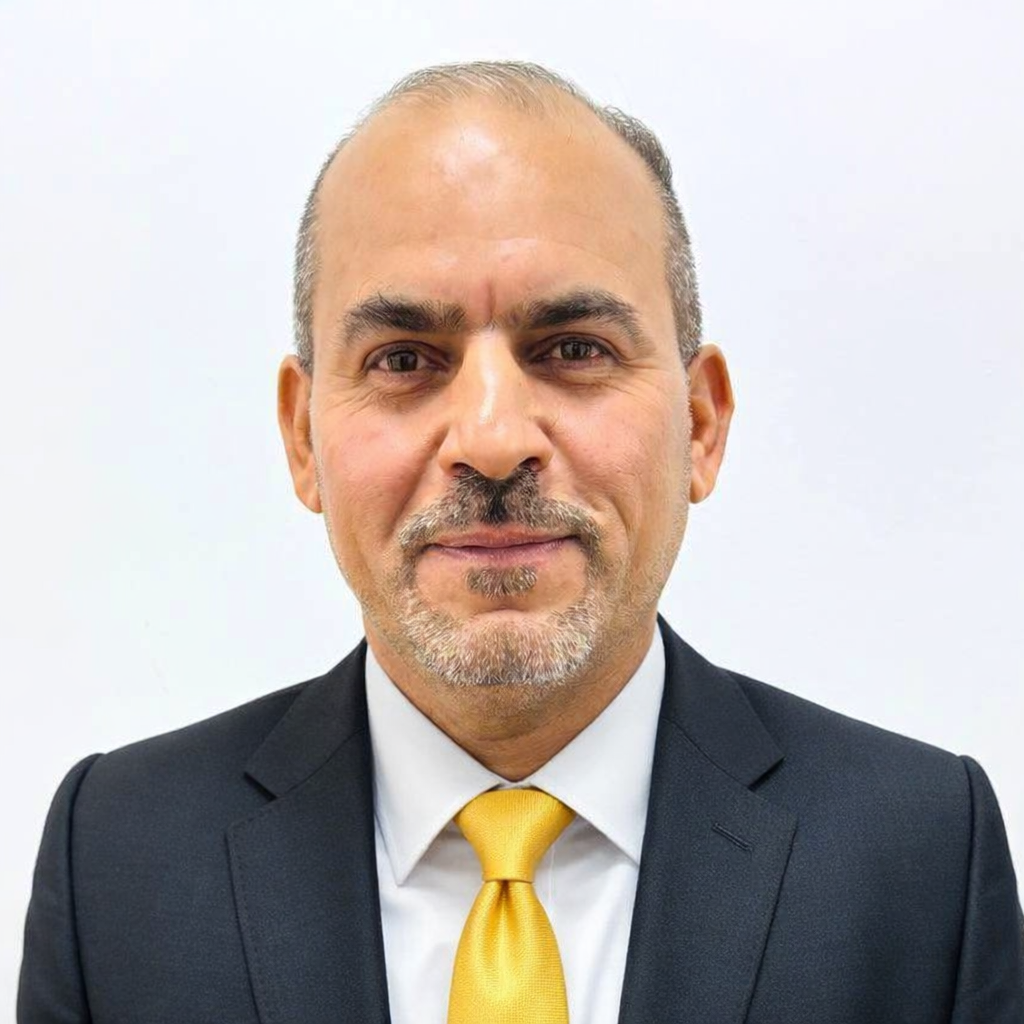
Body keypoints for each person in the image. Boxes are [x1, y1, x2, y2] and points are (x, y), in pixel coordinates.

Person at [18, 59, 1023, 1024]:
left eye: (574, 349)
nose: (493, 440)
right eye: (403, 359)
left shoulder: (923, 855)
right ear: (302, 438)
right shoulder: (118, 858)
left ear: (701, 423)